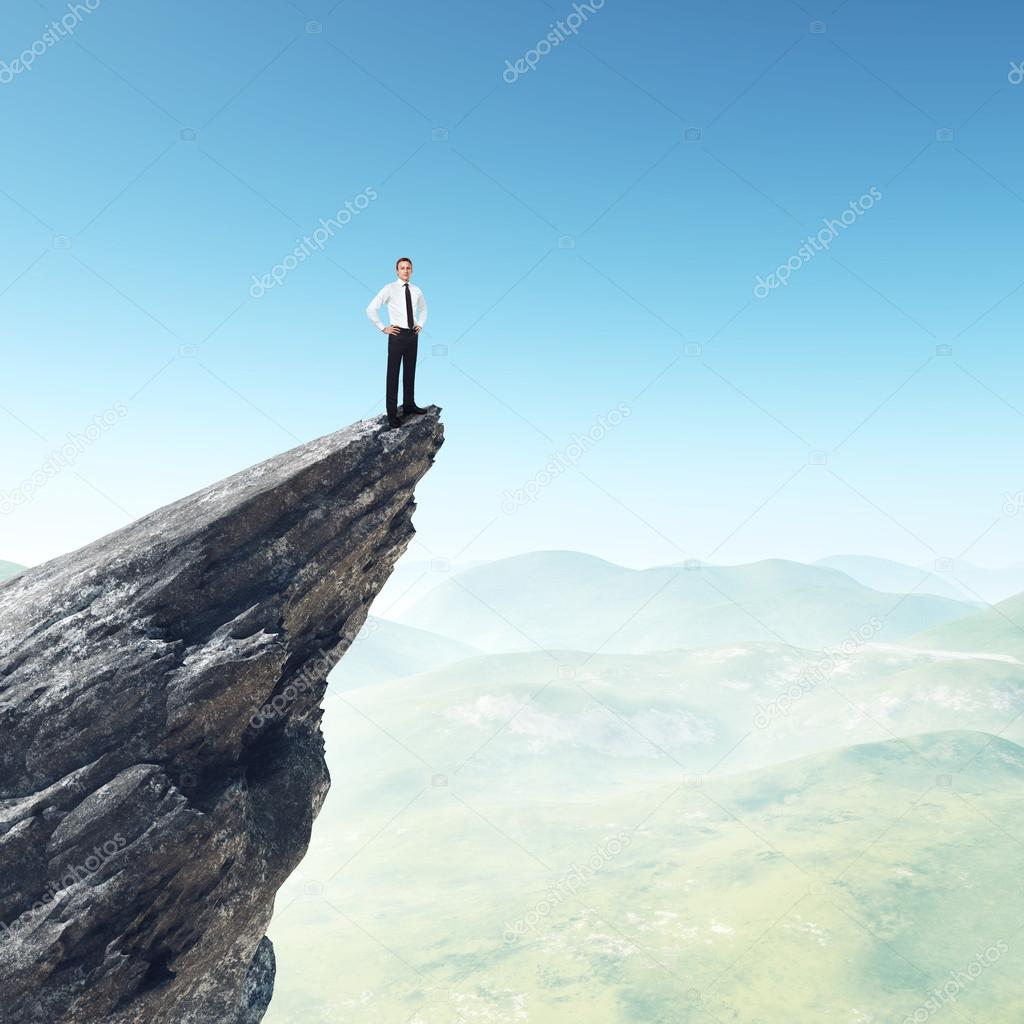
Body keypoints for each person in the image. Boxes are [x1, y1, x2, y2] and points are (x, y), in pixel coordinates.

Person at [365, 257, 429, 429]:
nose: (406, 271)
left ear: (412, 270)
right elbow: (371, 309)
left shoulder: (416, 290)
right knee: (393, 375)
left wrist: (420, 324)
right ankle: (392, 415)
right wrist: (382, 327)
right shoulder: (390, 288)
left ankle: (409, 405)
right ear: (397, 271)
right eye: (402, 268)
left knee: (410, 372)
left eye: (408, 268)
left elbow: (424, 310)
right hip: (397, 335)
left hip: (412, 335)